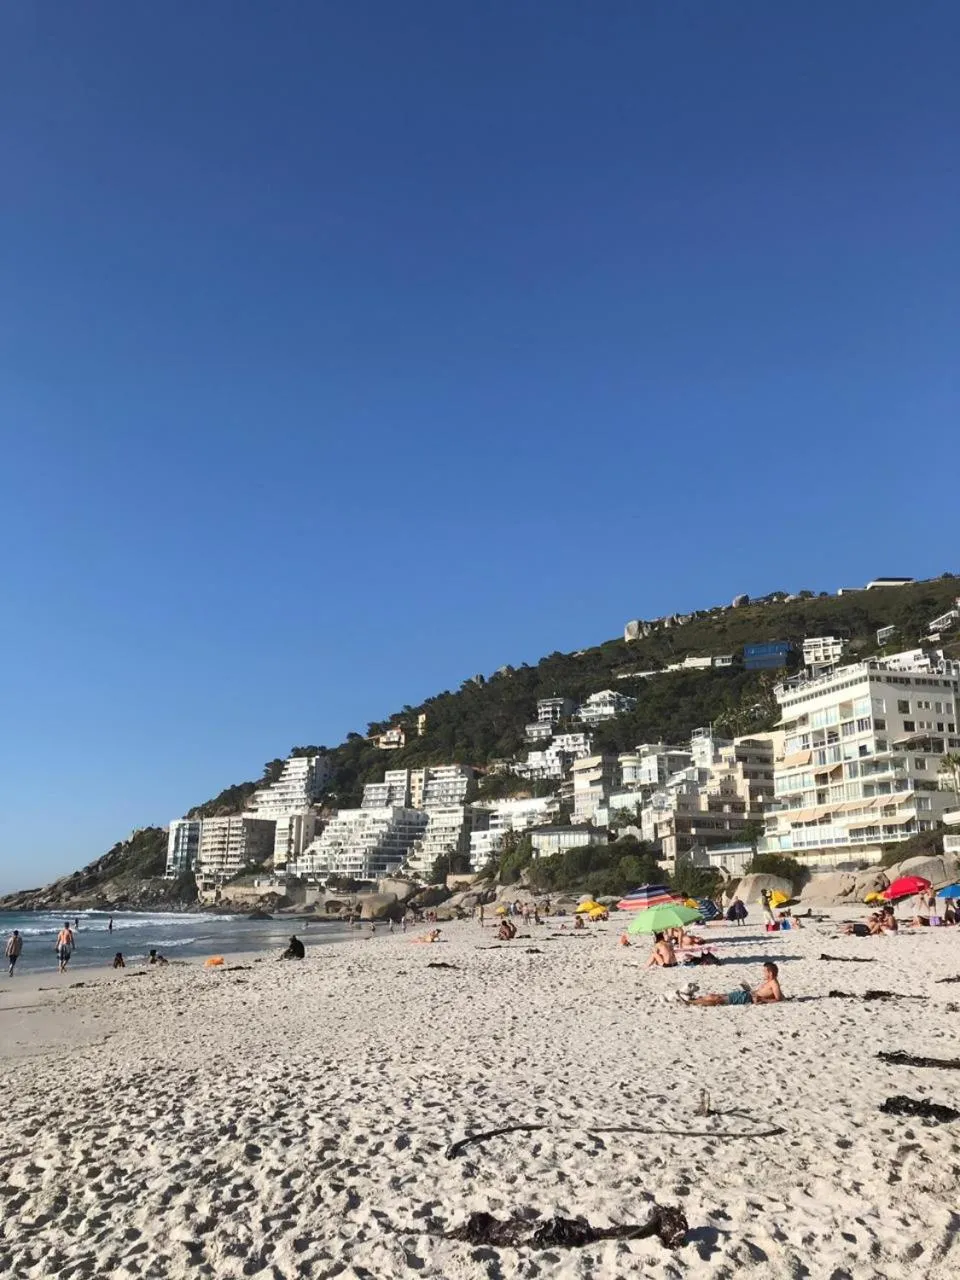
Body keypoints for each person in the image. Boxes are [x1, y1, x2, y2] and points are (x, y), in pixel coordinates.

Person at [680, 962, 783, 1007]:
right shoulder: (769, 982)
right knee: (714, 995)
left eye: (765, 971)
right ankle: (693, 1000)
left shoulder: (774, 984)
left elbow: (779, 999)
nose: (763, 973)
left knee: (718, 1001)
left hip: (747, 999)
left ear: (770, 973)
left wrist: (762, 1000)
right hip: (746, 994)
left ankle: (692, 1003)